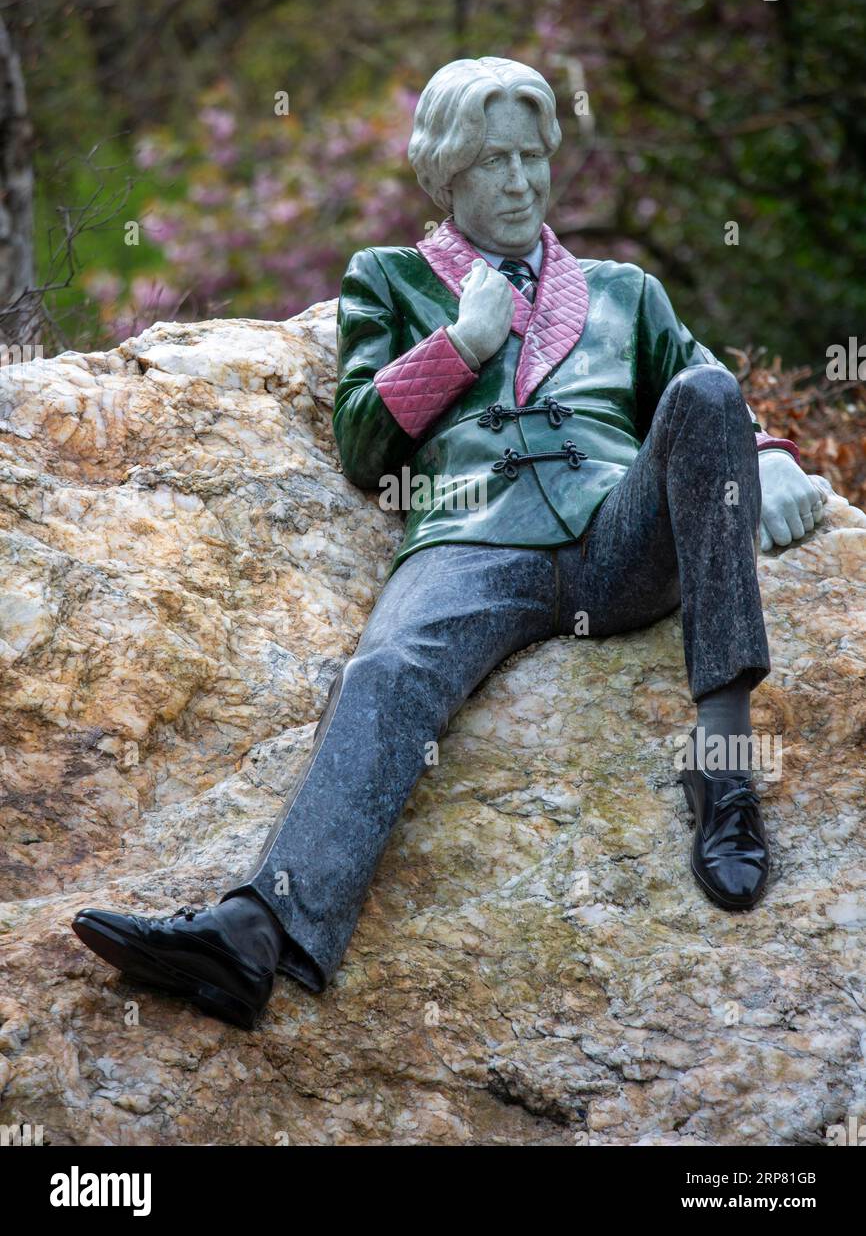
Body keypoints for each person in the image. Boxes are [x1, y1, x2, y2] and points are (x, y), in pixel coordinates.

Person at [72, 57, 827, 1029]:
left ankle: (723, 773)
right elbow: (361, 442)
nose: (518, 183)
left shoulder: (623, 292)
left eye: (530, 159)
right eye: (491, 164)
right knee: (386, 664)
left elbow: (701, 392)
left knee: (709, 394)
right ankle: (258, 930)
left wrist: (760, 457)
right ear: (445, 177)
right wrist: (461, 344)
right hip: (472, 540)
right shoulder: (385, 280)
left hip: (615, 536)